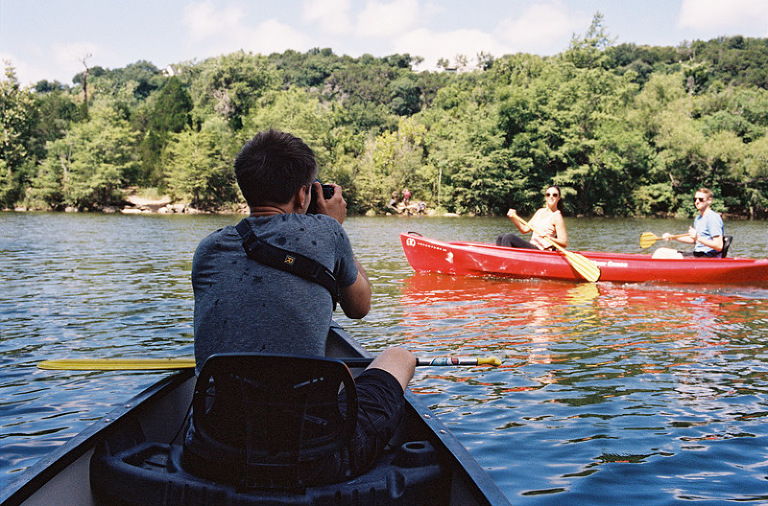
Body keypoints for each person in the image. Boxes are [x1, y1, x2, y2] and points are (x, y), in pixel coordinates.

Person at [191, 129, 416, 481]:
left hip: (214, 450)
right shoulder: (327, 232)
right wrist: (334, 225)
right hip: (315, 458)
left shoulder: (208, 249)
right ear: (302, 194)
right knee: (400, 356)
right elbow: (360, 307)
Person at [653, 187, 724, 259]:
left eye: (701, 199)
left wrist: (698, 238)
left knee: (665, 257)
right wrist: (672, 237)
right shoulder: (698, 219)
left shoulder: (713, 218)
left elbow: (719, 246)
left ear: (709, 201)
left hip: (708, 256)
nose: (697, 202)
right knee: (660, 252)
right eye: (695, 199)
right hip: (698, 254)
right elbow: (693, 240)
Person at [496, 185, 568, 250]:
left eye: (554, 195)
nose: (551, 197)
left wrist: (549, 238)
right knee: (501, 237)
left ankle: (507, 259)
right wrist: (513, 217)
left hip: (541, 250)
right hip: (532, 246)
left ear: (559, 197)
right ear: (545, 197)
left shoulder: (557, 216)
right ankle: (502, 258)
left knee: (508, 237)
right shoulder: (540, 211)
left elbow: (564, 242)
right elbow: (524, 229)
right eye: (548, 194)